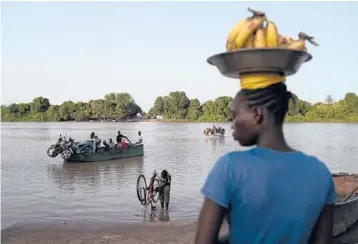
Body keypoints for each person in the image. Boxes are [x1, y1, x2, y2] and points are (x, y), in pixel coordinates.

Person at [195, 83, 336, 244]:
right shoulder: (321, 172)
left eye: (235, 115)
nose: (232, 125)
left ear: (257, 114)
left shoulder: (229, 166)